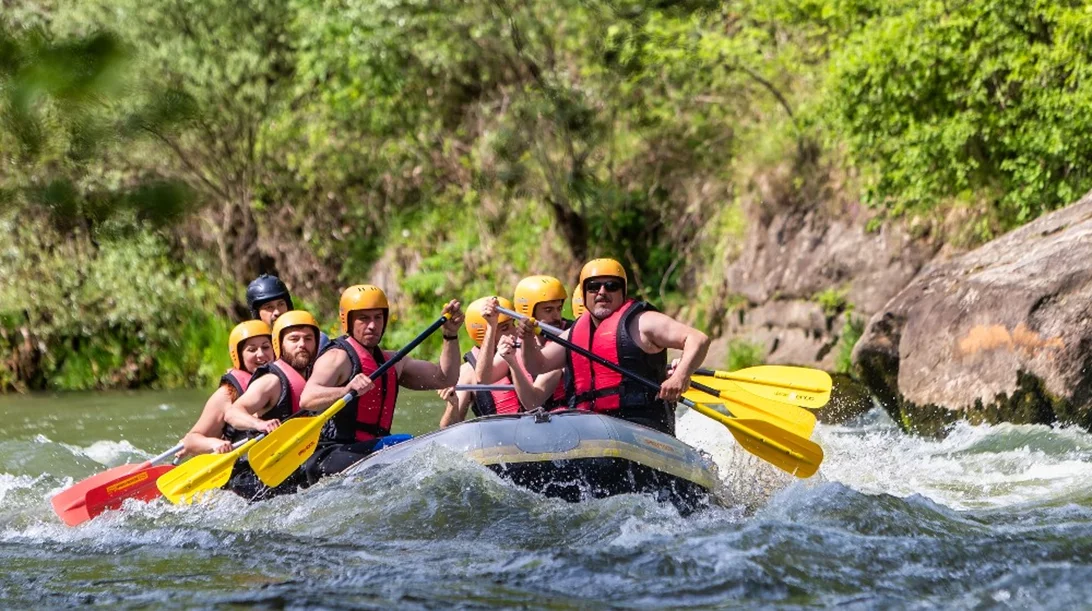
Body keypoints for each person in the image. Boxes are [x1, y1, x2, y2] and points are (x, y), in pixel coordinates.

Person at [518, 258, 710, 436]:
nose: (602, 292)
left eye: (611, 286)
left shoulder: (643, 322)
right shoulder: (574, 334)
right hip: (590, 430)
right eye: (593, 287)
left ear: (622, 291)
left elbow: (697, 339)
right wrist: (527, 339)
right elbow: (538, 365)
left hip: (643, 427)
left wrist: (680, 375)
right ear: (584, 294)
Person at [299, 285, 464, 475]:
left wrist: (450, 335)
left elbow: (444, 378)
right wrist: (345, 390)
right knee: (405, 444)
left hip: (374, 450)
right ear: (347, 321)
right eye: (364, 318)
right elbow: (307, 398)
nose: (372, 325)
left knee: (406, 448)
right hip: (333, 454)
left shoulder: (394, 362)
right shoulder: (337, 357)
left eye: (378, 317)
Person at [222, 310, 321, 500]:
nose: (302, 345)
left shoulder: (315, 378)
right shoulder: (271, 381)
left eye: (308, 339)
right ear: (279, 344)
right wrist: (260, 424)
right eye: (294, 339)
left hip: (292, 469)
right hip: (256, 477)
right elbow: (232, 413)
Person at [178, 320, 273, 458]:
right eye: (252, 350)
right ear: (239, 356)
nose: (261, 354)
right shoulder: (226, 395)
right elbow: (190, 439)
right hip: (238, 467)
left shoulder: (279, 382)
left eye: (266, 347)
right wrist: (214, 443)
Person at [476, 276, 572, 409]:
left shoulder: (565, 339)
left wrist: (513, 364)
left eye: (559, 308)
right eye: (548, 310)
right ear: (528, 312)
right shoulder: (516, 340)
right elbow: (483, 378)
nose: (556, 316)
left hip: (568, 417)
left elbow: (532, 402)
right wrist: (491, 326)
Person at [438, 297, 522, 426]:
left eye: (513, 324)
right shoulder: (467, 372)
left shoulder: (524, 354)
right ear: (485, 332)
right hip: (498, 438)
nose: (514, 332)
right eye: (505, 328)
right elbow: (447, 428)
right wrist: (452, 404)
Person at [246, 273, 329, 351]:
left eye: (281, 304)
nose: (277, 312)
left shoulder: (315, 340)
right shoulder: (256, 351)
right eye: (269, 307)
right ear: (257, 314)